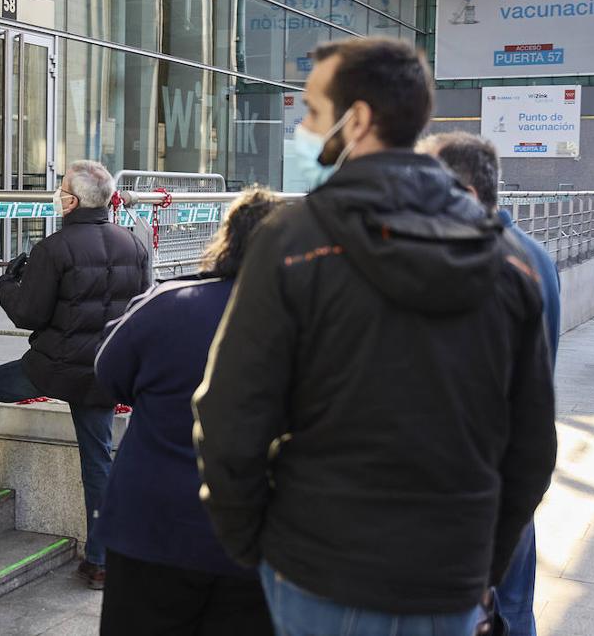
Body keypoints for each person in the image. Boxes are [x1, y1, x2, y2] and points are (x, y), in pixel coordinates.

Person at [192, 38, 557, 636]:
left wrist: (257, 544)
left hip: (317, 568)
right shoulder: (510, 260)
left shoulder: (291, 242)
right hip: (450, 577)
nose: (303, 129)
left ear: (356, 119)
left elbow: (230, 417)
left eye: (311, 112)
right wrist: (480, 563)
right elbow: (532, 447)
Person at [0, 160, 152, 590]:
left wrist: (8, 283)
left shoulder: (54, 248)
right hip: (105, 372)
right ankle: (100, 561)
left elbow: (28, 314)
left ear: (73, 200)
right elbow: (141, 312)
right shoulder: (135, 246)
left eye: (61, 188)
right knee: (97, 459)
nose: (57, 194)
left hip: (54, 368)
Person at [94, 187, 282, 636]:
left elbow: (108, 372)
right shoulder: (306, 323)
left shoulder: (167, 304)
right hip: (256, 537)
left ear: (225, 240)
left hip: (151, 529)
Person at [419, 132, 561, 636]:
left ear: (464, 191)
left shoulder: (486, 261)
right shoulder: (535, 254)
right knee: (515, 602)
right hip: (515, 463)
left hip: (477, 470)